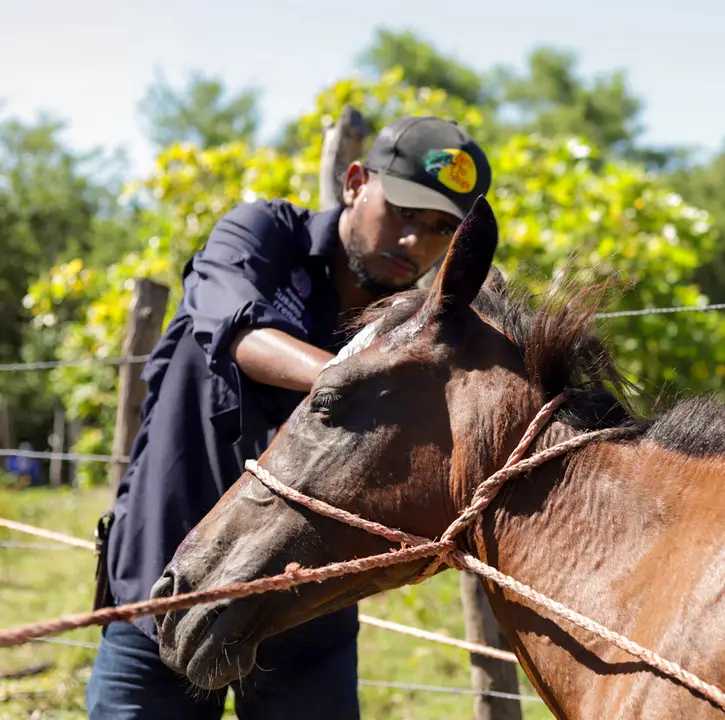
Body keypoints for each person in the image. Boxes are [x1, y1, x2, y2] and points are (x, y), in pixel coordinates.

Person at [85, 116, 493, 719]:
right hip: (164, 581)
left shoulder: (413, 330)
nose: (416, 242)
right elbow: (240, 333)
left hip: (302, 608)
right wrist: (358, 383)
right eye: (404, 211)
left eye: (439, 229)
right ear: (356, 181)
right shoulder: (261, 235)